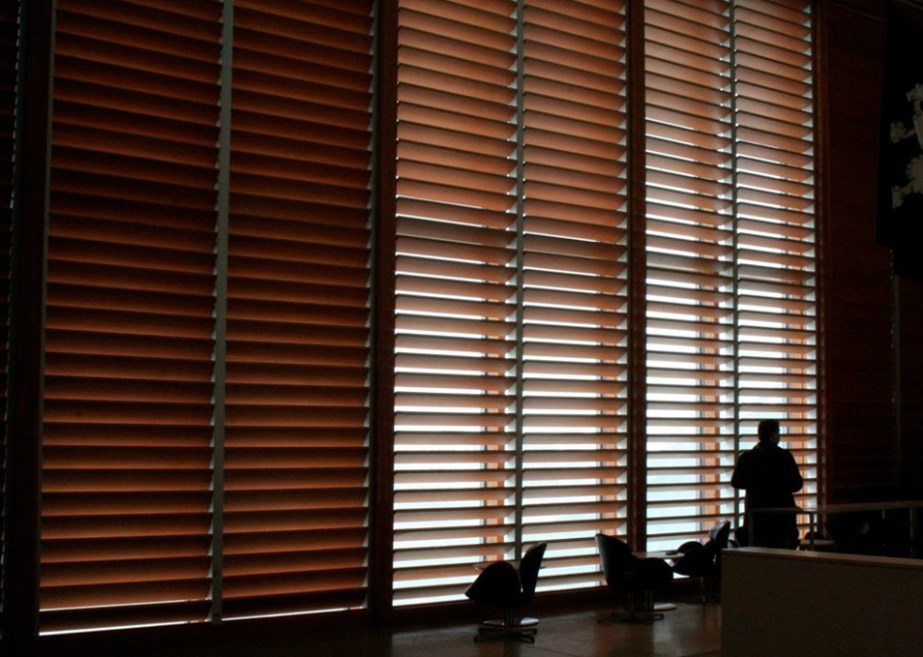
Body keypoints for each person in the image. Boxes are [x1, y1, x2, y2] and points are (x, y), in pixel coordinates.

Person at [731, 419, 804, 549]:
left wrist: (756, 485)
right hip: (783, 518)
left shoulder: (747, 457)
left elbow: (736, 482)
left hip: (757, 518)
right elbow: (797, 484)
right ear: (774, 435)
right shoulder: (785, 457)